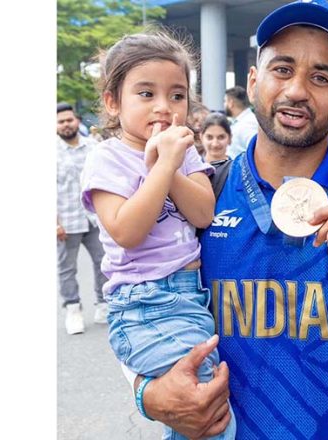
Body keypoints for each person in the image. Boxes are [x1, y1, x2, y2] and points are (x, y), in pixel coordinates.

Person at [133, 1, 328, 439]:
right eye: (282, 69)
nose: (296, 91)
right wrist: (147, 392)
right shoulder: (198, 193)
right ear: (253, 82)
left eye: (321, 77)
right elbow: (138, 300)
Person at [79, 30, 237, 440]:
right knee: (208, 415)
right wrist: (161, 166)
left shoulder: (184, 152)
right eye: (146, 94)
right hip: (146, 302)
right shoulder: (107, 158)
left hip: (189, 297)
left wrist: (170, 161)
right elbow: (128, 230)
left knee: (199, 416)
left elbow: (203, 212)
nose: (164, 108)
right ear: (114, 101)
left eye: (177, 95)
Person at [56, 102, 108, 335]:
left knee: (103, 262)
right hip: (66, 221)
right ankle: (73, 308)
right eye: (61, 121)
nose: (66, 124)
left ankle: (102, 304)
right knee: (67, 268)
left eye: (69, 120)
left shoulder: (92, 146)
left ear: (76, 120)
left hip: (94, 218)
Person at [224, 86, 259, 159]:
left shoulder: (247, 123)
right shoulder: (242, 121)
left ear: (231, 103)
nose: (224, 104)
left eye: (225, 101)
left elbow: (256, 151)